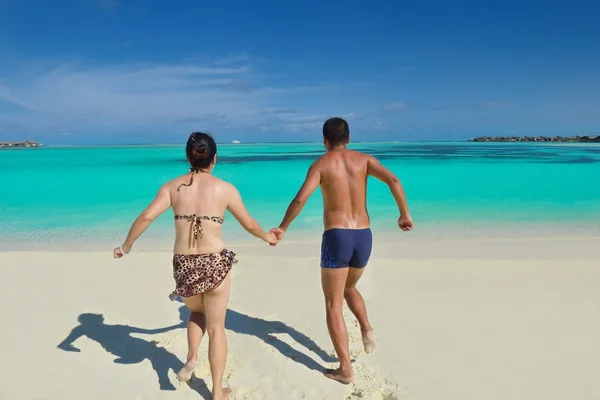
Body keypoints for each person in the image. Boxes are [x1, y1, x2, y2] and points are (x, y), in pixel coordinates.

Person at [113, 132, 278, 400]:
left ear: (188, 157)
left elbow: (146, 217)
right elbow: (249, 224)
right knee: (216, 329)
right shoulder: (225, 188)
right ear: (214, 158)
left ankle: (191, 358)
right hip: (215, 262)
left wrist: (126, 247)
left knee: (196, 314)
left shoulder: (171, 187)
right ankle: (216, 391)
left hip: (184, 264)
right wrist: (268, 237)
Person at [270, 117, 413, 384]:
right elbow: (393, 180)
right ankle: (367, 328)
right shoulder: (365, 160)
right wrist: (404, 214)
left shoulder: (321, 165)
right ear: (349, 137)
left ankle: (346, 369)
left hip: (337, 236)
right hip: (364, 236)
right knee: (349, 288)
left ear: (324, 140)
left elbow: (301, 198)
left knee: (333, 304)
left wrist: (283, 227)